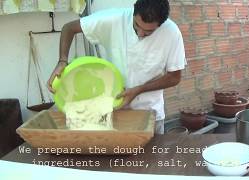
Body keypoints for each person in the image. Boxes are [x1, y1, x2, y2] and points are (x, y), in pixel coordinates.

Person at [47, 0, 186, 134]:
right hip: (112, 111)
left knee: (152, 156)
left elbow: (174, 77)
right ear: (133, 12)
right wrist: (62, 61)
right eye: (136, 25)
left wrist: (139, 90)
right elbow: (69, 28)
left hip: (150, 114)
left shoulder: (171, 33)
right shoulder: (114, 19)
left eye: (148, 32)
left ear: (161, 24)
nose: (140, 33)